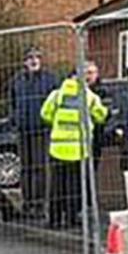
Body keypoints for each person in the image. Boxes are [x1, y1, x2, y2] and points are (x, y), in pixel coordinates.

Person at [42, 60, 106, 227]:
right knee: (73, 186)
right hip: (79, 149)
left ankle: (54, 220)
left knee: (56, 186)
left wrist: (58, 125)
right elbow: (101, 116)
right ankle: (71, 218)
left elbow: (45, 114)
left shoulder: (56, 94)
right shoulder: (90, 97)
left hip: (57, 147)